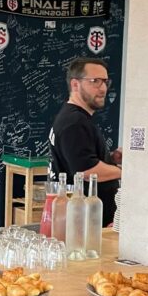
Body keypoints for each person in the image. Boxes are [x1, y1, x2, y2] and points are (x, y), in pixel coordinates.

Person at [49, 57, 121, 226]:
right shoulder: (74, 123)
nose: (103, 88)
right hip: (85, 225)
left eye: (105, 82)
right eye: (95, 81)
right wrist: (127, 171)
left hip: (87, 220)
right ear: (75, 84)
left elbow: (80, 158)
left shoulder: (75, 118)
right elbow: (87, 170)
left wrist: (110, 158)